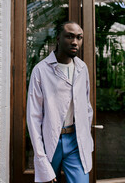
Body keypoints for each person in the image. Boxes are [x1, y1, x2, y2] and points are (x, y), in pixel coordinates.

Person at [27, 21, 94, 183]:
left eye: (79, 38)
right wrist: (41, 157)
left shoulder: (82, 68)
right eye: (69, 36)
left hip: (75, 141)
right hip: (50, 141)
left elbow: (87, 107)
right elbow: (33, 117)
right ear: (58, 38)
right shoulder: (41, 70)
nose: (75, 42)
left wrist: (87, 139)